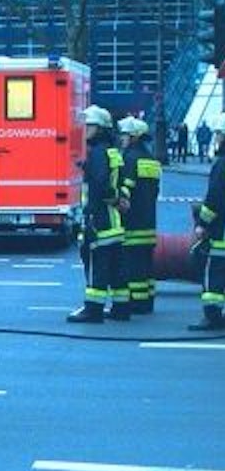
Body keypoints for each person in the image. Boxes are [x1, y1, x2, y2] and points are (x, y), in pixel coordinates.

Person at [67, 106, 127, 323]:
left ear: (101, 128)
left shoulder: (98, 153)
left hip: (99, 220)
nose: (85, 129)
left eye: (90, 125)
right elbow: (116, 181)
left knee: (96, 266)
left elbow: (100, 183)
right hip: (115, 222)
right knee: (115, 267)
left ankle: (93, 309)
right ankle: (121, 308)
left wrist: (90, 215)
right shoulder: (112, 151)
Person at [117, 117, 160, 315]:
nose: (121, 138)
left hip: (132, 223)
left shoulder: (129, 158)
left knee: (133, 266)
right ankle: (147, 300)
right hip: (149, 222)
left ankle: (137, 302)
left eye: (124, 135)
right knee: (146, 266)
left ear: (134, 137)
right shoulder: (152, 160)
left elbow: (126, 190)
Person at [189, 114, 225, 330]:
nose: (217, 138)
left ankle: (212, 316)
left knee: (214, 274)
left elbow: (214, 199)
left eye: (219, 134)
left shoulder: (222, 164)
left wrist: (202, 223)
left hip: (221, 234)